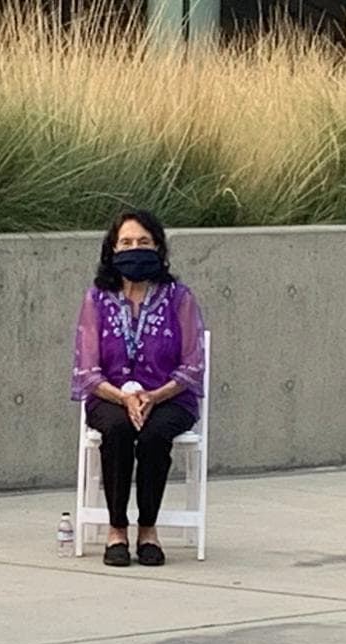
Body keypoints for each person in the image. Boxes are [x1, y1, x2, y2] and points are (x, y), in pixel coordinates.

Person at [71, 209, 206, 567]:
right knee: (116, 429)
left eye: (143, 242)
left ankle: (148, 530)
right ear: (112, 250)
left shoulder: (180, 297)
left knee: (154, 436)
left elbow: (193, 364)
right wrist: (124, 397)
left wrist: (153, 396)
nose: (135, 248)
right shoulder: (96, 299)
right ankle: (117, 530)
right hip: (109, 395)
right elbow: (87, 369)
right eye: (126, 242)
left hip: (170, 396)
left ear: (158, 248)